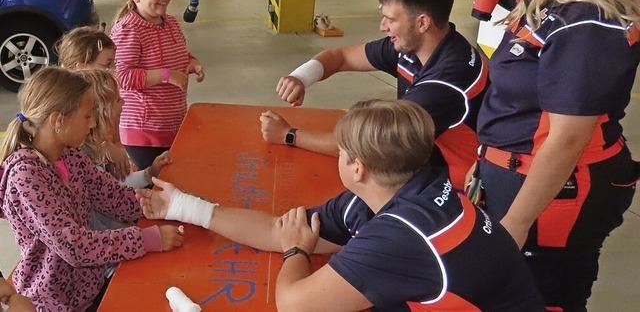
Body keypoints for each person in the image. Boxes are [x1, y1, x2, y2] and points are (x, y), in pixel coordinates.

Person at [138, 100, 544, 311]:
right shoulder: (404, 189)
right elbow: (278, 228)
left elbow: (295, 304)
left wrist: (297, 251)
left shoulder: (401, 235)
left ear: (357, 166)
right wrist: (183, 206)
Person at [475, 0, 640, 310]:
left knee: (543, 292)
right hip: (520, 176)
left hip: (560, 192)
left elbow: (566, 139)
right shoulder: (551, 4)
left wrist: (516, 222)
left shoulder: (587, 22)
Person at [261, 0, 488, 191]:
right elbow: (340, 57)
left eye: (390, 19)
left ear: (422, 23)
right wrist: (300, 77)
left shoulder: (447, 83)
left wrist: (288, 135)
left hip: (450, 187)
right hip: (420, 163)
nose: (382, 27)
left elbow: (369, 146)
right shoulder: (416, 45)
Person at [0, 67, 184, 312]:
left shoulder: (69, 155)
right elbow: (73, 245)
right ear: (58, 121)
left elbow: (112, 195)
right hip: (55, 303)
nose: (93, 123)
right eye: (87, 116)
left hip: (89, 288)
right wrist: (145, 239)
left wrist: (158, 202)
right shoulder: (27, 176)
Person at [110, 0, 205, 171]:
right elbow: (121, 76)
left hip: (173, 123)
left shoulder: (170, 22)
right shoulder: (128, 30)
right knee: (154, 189)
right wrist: (166, 75)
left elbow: (178, 54)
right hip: (144, 132)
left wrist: (192, 62)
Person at [56, 27, 130, 179]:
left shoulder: (100, 103)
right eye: (107, 65)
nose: (114, 71)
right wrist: (103, 148)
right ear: (80, 67)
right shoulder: (69, 109)